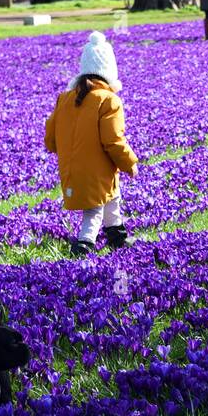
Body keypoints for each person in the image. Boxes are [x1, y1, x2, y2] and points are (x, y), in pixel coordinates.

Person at [44, 31, 138, 258]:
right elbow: (113, 140)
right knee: (94, 210)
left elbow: (50, 137)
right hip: (97, 170)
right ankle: (82, 247)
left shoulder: (65, 97)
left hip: (70, 169)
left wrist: (65, 151)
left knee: (112, 198)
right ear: (109, 72)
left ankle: (116, 235)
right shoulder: (109, 100)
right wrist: (129, 163)